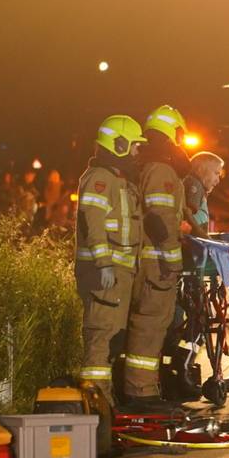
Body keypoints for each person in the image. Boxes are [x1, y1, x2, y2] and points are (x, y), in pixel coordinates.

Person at [75, 115, 146, 409]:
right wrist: (104, 263)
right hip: (104, 273)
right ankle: (97, 405)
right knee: (100, 337)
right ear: (118, 144)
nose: (136, 153)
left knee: (113, 339)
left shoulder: (117, 179)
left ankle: (105, 403)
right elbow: (93, 223)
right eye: (133, 146)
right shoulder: (100, 179)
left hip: (118, 273)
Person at [124, 104, 190, 413]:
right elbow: (160, 218)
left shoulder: (146, 166)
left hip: (146, 262)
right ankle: (141, 392)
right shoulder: (162, 170)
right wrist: (173, 261)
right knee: (150, 325)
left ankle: (142, 388)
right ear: (172, 133)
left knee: (147, 325)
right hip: (157, 265)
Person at [182, 151, 224, 238]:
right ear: (200, 170)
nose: (218, 180)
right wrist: (204, 237)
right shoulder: (195, 184)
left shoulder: (197, 186)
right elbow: (188, 214)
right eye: (216, 173)